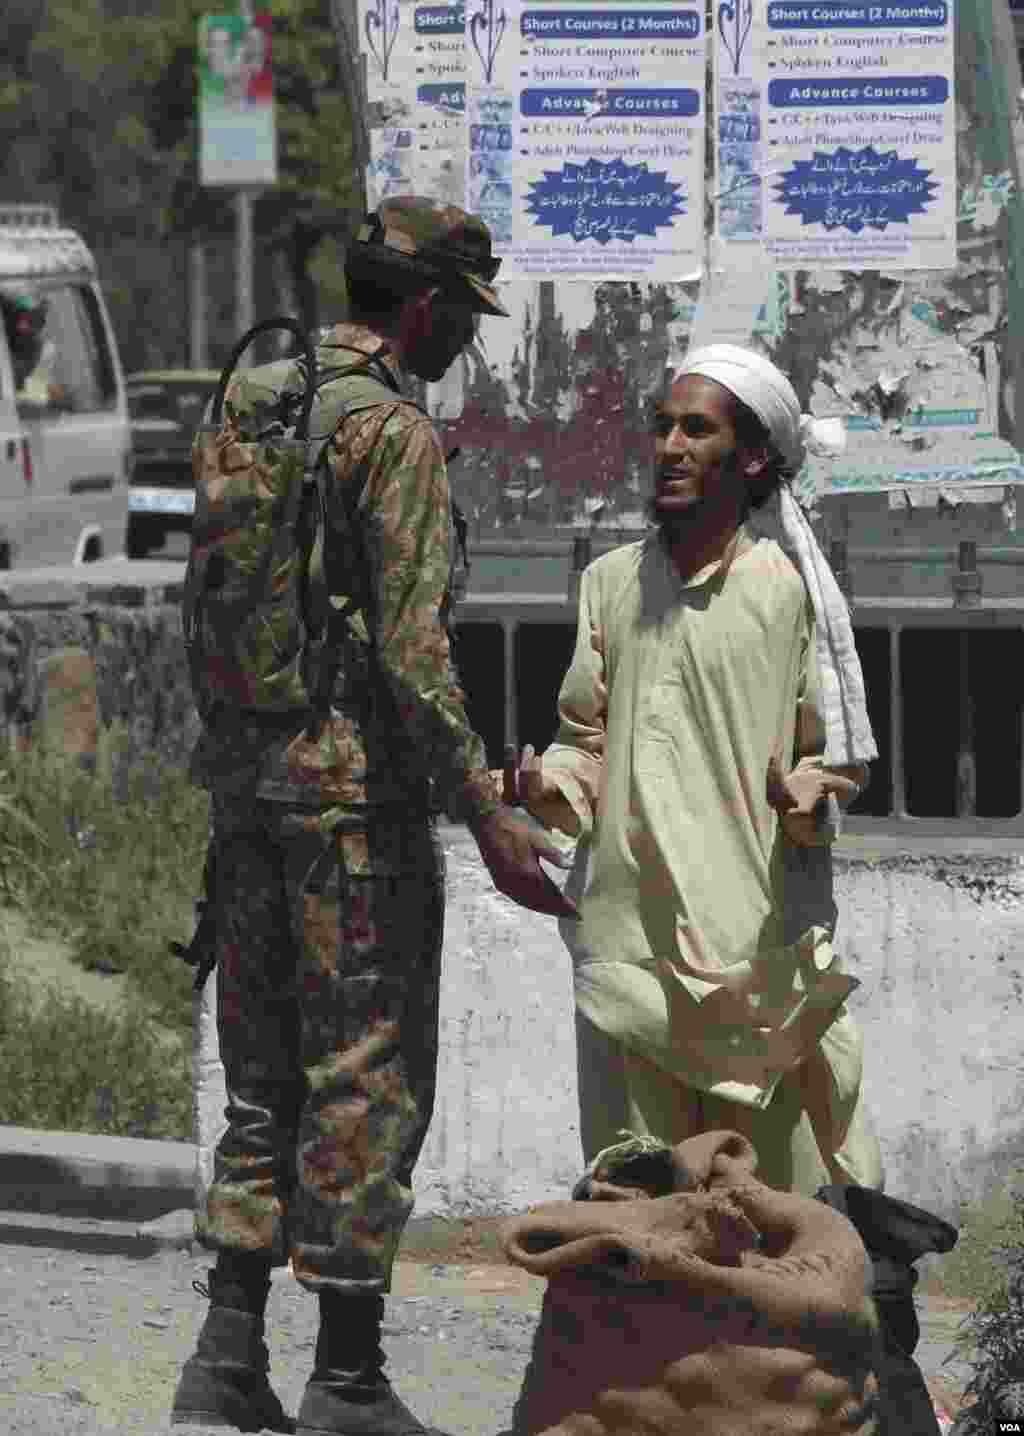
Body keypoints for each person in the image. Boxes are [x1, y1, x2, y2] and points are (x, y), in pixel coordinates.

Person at [171, 196, 577, 1436]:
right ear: (422, 305)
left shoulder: (254, 402)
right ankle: (346, 1378)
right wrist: (485, 807)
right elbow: (413, 651)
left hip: (247, 796)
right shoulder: (388, 430)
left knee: (260, 1075)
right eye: (461, 311)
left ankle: (225, 1356)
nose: (463, 335)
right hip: (353, 812)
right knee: (364, 1076)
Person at [519, 343, 885, 1200]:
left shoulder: (784, 590)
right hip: (628, 960)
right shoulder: (609, 585)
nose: (671, 446)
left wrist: (810, 798)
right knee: (640, 1217)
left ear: (751, 456)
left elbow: (827, 759)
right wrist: (552, 786)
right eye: (662, 427)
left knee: (776, 1219)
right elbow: (586, 740)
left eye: (697, 428)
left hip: (749, 959)